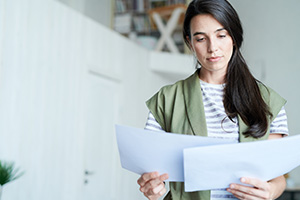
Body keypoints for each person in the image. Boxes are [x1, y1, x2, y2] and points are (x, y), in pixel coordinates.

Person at [137, 0, 289, 199]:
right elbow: (151, 170)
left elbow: (277, 176)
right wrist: (151, 185)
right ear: (190, 42)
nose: (212, 48)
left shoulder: (268, 100)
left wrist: (270, 192)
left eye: (221, 35)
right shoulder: (167, 100)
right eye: (201, 39)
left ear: (233, 37)